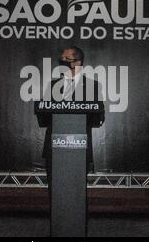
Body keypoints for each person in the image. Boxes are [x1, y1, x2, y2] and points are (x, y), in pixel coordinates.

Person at [38, 46, 105, 192]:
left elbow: (99, 116)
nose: (62, 62)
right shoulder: (53, 85)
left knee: (76, 192)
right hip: (54, 148)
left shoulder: (92, 86)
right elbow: (43, 113)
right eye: (61, 59)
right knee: (55, 191)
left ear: (77, 63)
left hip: (79, 147)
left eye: (65, 59)